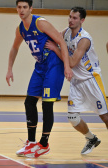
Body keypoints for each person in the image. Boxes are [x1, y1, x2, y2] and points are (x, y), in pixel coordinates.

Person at [6, 0, 73, 158]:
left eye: (24, 7)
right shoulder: (21, 28)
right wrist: (9, 69)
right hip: (40, 66)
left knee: (47, 104)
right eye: (19, 7)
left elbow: (61, 42)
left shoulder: (41, 23)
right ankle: (31, 142)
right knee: (29, 101)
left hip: (53, 65)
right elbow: (15, 47)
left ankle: (43, 144)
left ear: (31, 9)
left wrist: (67, 66)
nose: (21, 10)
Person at [45, 7, 108, 154]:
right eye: (70, 17)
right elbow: (54, 36)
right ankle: (91, 138)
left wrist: (56, 49)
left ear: (82, 20)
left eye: (74, 18)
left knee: (105, 116)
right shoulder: (66, 32)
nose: (71, 20)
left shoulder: (84, 39)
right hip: (76, 82)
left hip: (91, 80)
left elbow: (72, 62)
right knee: (73, 118)